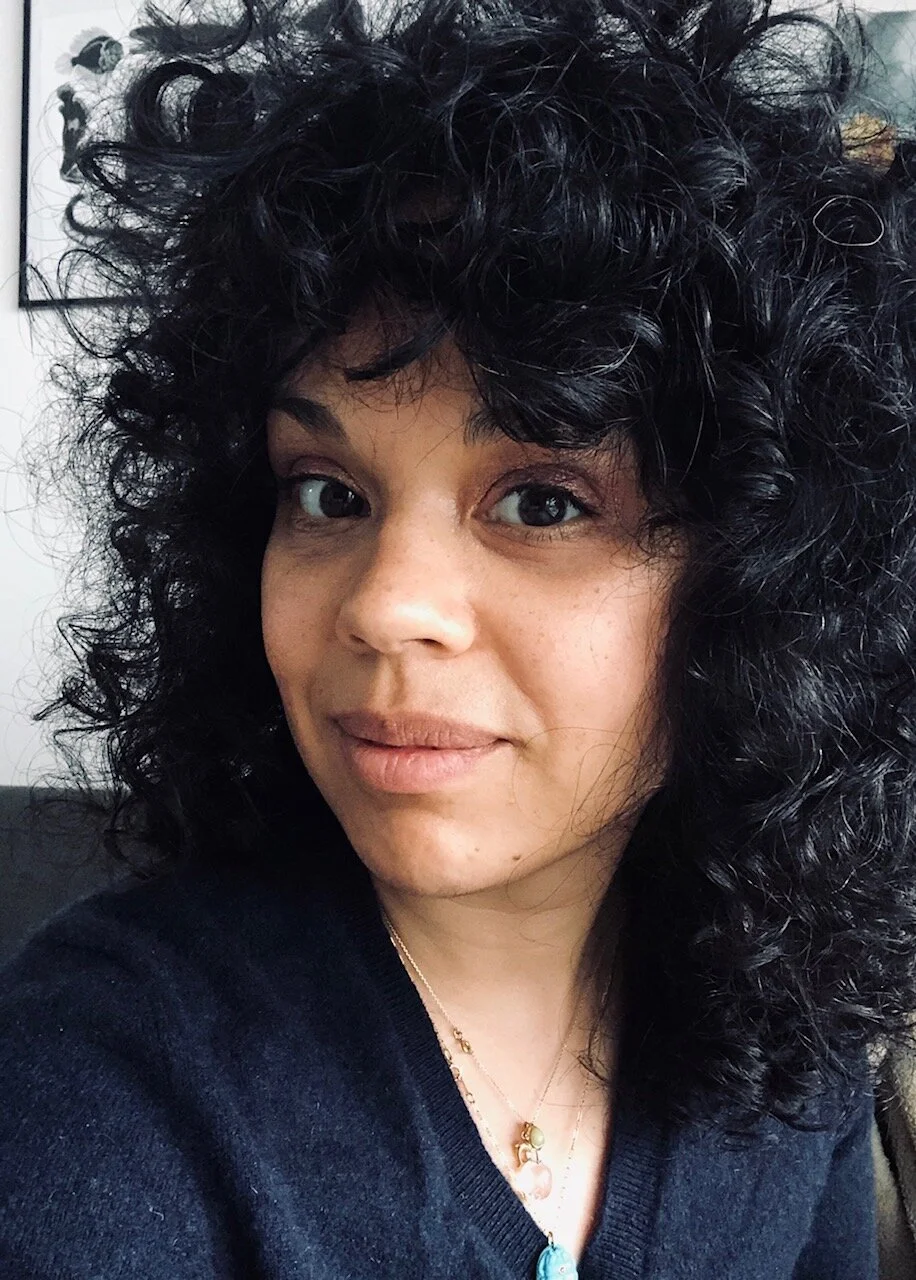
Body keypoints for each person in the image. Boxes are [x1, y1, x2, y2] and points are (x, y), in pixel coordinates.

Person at [3, 0, 916, 1275]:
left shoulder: (791, 1030)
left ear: (765, 579)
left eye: (543, 501)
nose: (384, 604)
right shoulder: (98, 1088)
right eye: (328, 493)